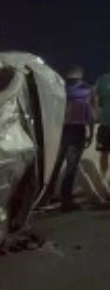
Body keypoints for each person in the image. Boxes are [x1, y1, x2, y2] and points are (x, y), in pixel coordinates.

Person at [51, 65, 94, 211]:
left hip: (59, 131)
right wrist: (91, 133)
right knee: (71, 168)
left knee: (55, 166)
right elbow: (90, 114)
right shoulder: (86, 90)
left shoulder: (58, 89)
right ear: (80, 76)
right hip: (77, 131)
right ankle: (66, 200)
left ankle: (45, 196)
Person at [93, 64, 110, 178]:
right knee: (104, 153)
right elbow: (96, 97)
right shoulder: (102, 79)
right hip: (105, 122)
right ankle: (105, 182)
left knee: (104, 153)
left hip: (104, 121)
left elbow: (96, 98)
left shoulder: (102, 79)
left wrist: (97, 113)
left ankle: (104, 181)